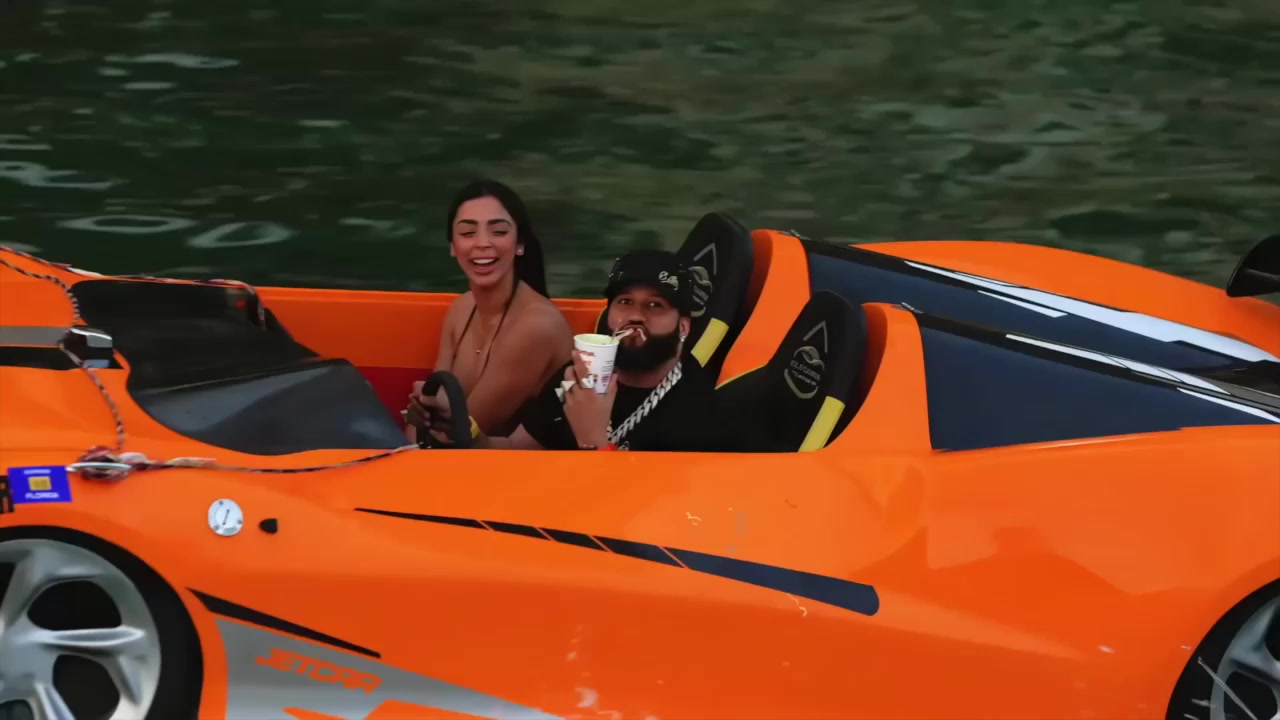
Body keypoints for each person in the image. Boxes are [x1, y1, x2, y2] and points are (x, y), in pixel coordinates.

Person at [409, 249, 734, 452]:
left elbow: (641, 519)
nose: (635, 316)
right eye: (625, 302)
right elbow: (512, 449)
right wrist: (463, 431)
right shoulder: (576, 377)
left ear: (683, 327)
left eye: (655, 305)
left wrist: (594, 440)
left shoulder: (700, 410)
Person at [404, 178, 573, 442]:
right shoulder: (461, 309)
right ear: (453, 246)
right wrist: (419, 417)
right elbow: (427, 419)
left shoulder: (536, 327)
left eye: (499, 231)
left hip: (512, 464)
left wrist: (422, 428)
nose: (482, 243)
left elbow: (460, 434)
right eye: (467, 233)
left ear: (520, 244)